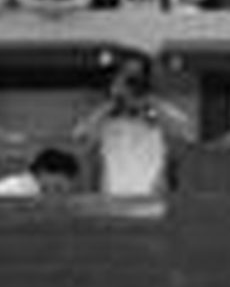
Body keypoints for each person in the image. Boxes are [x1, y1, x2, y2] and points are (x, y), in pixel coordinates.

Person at [72, 56, 192, 196]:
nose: (133, 86)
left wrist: (149, 100)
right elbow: (79, 137)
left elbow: (187, 134)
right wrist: (113, 101)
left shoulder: (160, 119)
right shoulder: (104, 121)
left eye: (137, 79)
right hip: (113, 204)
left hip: (152, 204)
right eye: (128, 79)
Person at [0, 146, 81, 197]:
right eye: (57, 188)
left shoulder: (27, 185)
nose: (55, 195)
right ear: (43, 172)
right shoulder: (25, 192)